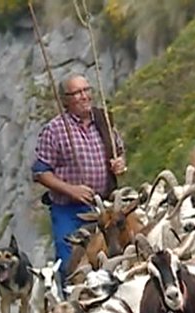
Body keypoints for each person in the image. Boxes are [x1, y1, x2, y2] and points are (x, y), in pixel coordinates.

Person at [32, 73, 127, 271]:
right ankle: (72, 299)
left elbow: (119, 152)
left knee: (116, 255)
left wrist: (119, 164)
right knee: (71, 260)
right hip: (69, 210)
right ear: (65, 100)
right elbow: (40, 172)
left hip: (103, 208)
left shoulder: (104, 123)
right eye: (77, 93)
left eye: (86, 90)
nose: (84, 96)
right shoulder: (55, 129)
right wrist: (71, 190)